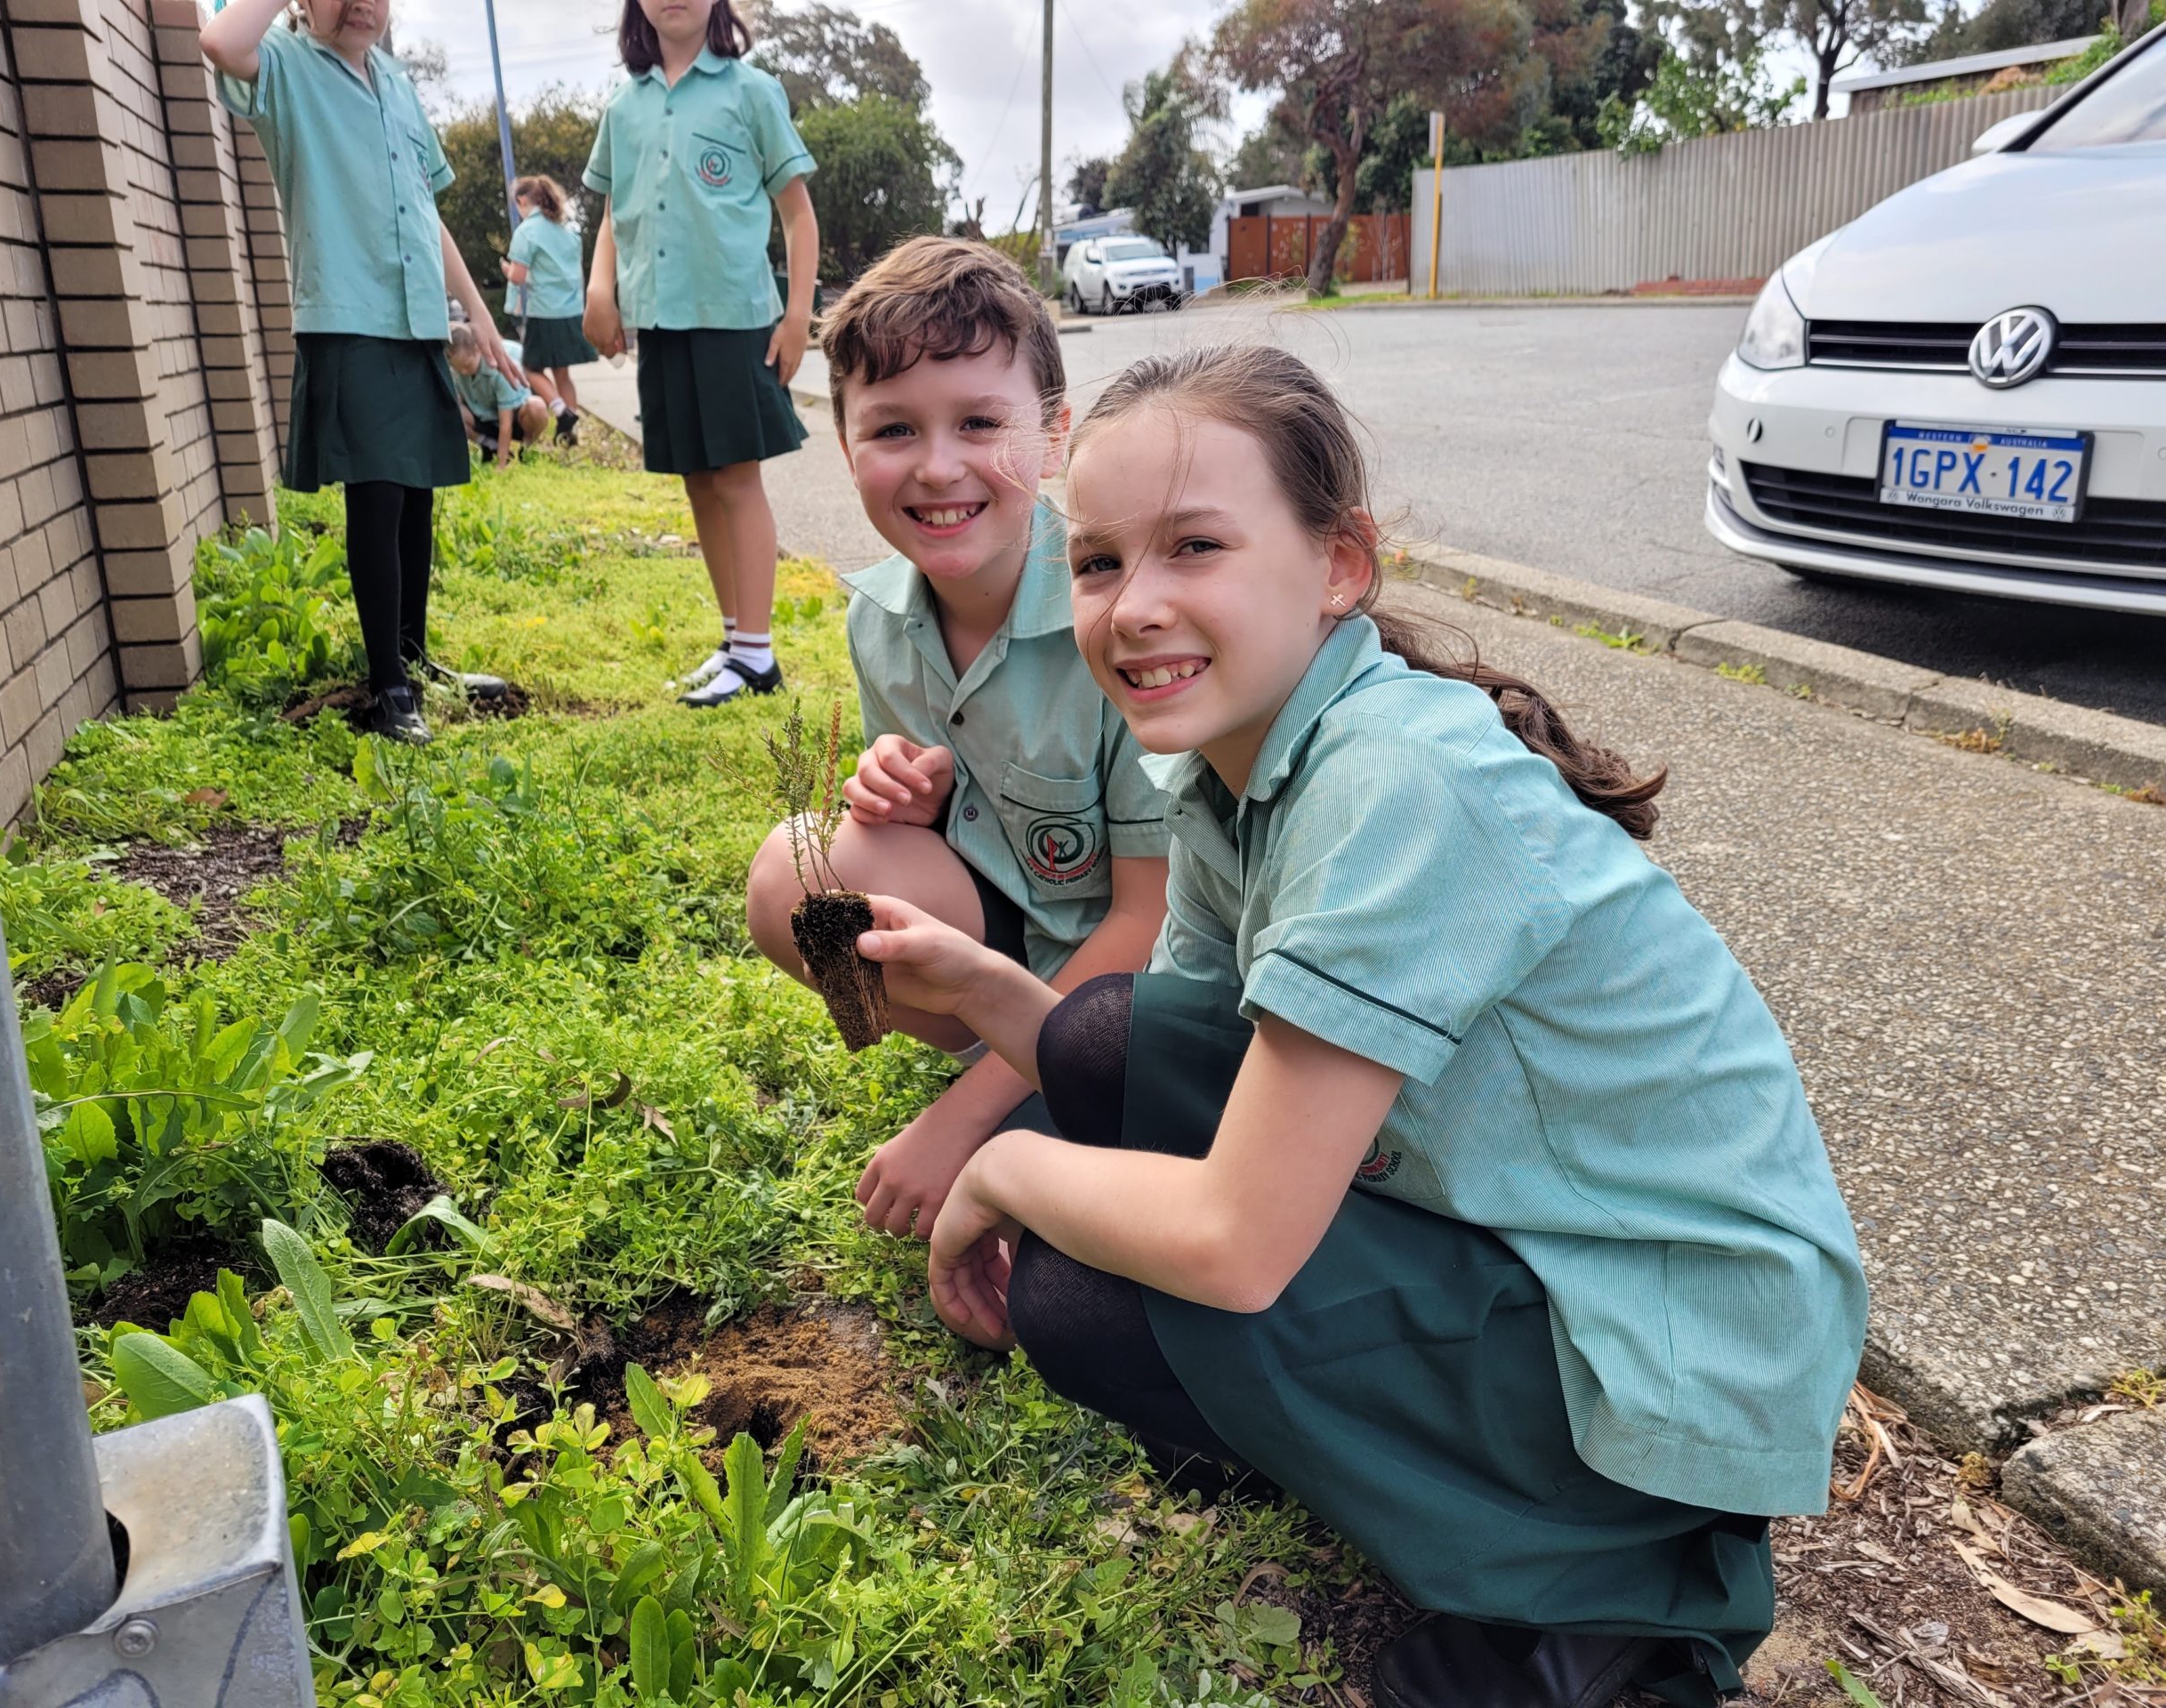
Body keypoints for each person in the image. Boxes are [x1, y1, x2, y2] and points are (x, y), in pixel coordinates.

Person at [852, 345, 1870, 1708]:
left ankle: (1627, 1603)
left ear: (1339, 566)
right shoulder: (1232, 765)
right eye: (1097, 564)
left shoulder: (1397, 779)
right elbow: (1182, 1063)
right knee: (1106, 1038)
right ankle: (1405, 1453)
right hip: (1500, 1211)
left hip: (1661, 1333)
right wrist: (986, 991)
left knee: (1086, 1298)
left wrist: (998, 1165)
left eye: (1195, 546)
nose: (1136, 607)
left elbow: (1236, 1238)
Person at [744, 236, 1171, 1244]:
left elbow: (1155, 921)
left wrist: (958, 1119)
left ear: (1054, 434)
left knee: (1053, 1240)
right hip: (1007, 932)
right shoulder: (878, 620)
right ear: (843, 442)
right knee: (788, 877)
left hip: (1145, 977)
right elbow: (922, 839)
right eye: (892, 428)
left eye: (980, 422)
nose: (938, 468)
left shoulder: (1117, 618)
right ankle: (1013, 1073)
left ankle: (1027, 1091)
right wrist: (898, 793)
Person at [201, 0, 516, 745]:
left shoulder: (397, 81)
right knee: (375, 497)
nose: (361, 4)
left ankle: (413, 655)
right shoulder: (285, 65)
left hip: (415, 321)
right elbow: (219, 38)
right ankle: (388, 689)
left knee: (415, 500)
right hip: (349, 319)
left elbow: (424, 209)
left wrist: (481, 315)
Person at [582, 0, 818, 709]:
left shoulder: (752, 91)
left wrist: (800, 315)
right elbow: (612, 214)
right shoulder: (624, 106)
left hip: (732, 318)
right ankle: (732, 639)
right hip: (661, 320)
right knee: (697, 480)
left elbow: (797, 212)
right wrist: (600, 287)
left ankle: (757, 656)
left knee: (737, 480)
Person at [501, 175, 591, 444]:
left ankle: (562, 412)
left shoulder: (527, 232)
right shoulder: (567, 231)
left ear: (522, 201)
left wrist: (507, 269)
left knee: (530, 369)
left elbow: (518, 277)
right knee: (562, 373)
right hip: (571, 311)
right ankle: (568, 435)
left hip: (544, 312)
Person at [447, 325, 549, 469]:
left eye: (468, 365)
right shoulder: (457, 372)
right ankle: (489, 445)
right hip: (485, 418)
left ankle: (526, 448)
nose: (464, 372)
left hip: (514, 418)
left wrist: (501, 465)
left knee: (537, 406)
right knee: (449, 413)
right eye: (459, 369)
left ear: (478, 350)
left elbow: (505, 424)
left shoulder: (498, 370)